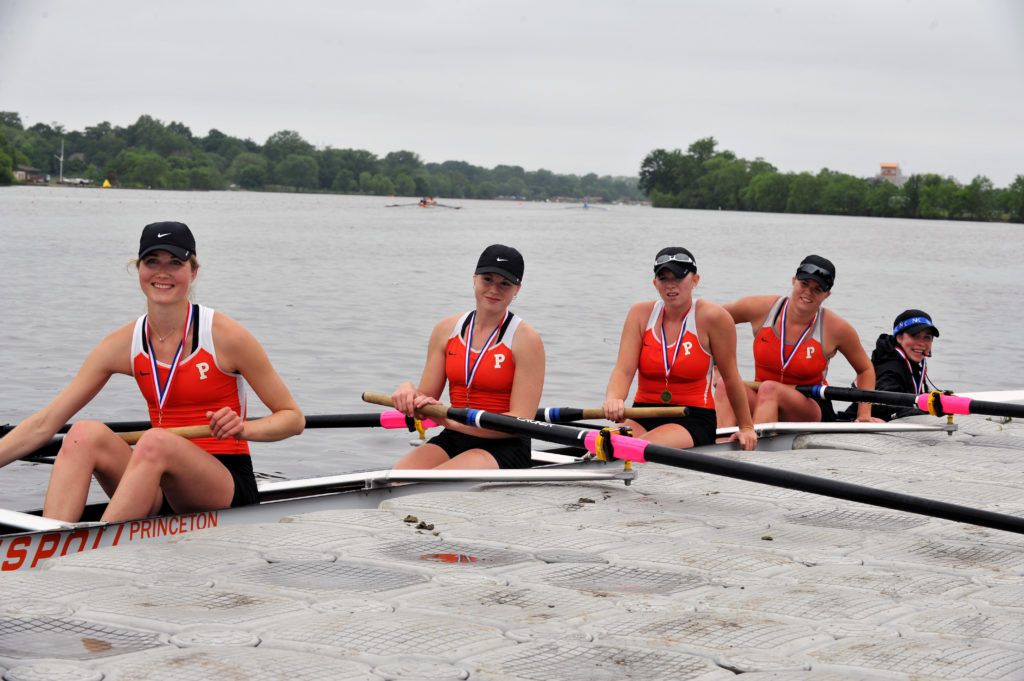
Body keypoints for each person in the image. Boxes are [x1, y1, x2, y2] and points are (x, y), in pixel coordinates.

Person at [0, 221, 305, 522]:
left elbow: (292, 418)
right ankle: (49, 543)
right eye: (152, 262)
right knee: (82, 434)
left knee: (154, 441)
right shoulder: (122, 344)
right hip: (155, 478)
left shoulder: (226, 337)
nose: (162, 272)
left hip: (223, 484)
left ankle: (96, 547)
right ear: (139, 270)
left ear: (193, 272)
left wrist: (245, 429)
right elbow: (43, 425)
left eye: (175, 262)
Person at [391, 244, 545, 469]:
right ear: (474, 278)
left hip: (505, 445)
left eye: (505, 284)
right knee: (395, 480)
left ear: (517, 289)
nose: (494, 289)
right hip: (454, 436)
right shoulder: (445, 330)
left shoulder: (527, 340)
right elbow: (425, 401)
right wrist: (408, 391)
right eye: (487, 279)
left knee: (428, 486)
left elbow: (519, 423)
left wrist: (450, 421)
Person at [603, 247, 757, 451]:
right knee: (600, 446)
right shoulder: (639, 314)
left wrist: (746, 427)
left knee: (633, 449)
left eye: (679, 277)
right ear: (655, 283)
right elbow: (623, 369)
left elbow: (730, 377)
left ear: (695, 280)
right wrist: (614, 399)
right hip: (643, 414)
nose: (671, 285)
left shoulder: (713, 317)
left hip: (692, 418)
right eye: (664, 278)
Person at [715, 255, 880, 425]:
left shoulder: (836, 328)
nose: (808, 292)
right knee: (725, 385)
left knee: (770, 389)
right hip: (762, 396)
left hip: (809, 406)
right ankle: (720, 446)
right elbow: (711, 322)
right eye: (804, 284)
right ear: (794, 281)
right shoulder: (760, 308)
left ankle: (755, 447)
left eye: (818, 289)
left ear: (827, 295)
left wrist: (863, 414)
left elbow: (865, 369)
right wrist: (716, 366)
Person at [843, 309, 940, 421]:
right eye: (915, 336)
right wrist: (932, 408)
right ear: (899, 337)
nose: (922, 343)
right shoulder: (890, 368)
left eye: (927, 337)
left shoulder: (907, 361)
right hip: (853, 426)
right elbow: (884, 405)